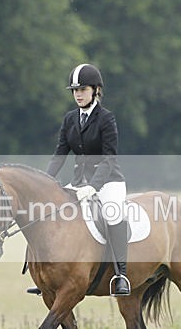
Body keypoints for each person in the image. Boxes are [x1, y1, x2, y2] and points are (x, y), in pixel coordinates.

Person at [45, 63, 130, 297]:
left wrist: (94, 187)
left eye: (82, 89)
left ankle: (121, 275)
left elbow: (109, 158)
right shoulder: (70, 119)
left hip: (108, 181)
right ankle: (48, 276)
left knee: (113, 213)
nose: (78, 95)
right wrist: (43, 181)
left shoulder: (106, 119)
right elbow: (60, 153)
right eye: (75, 91)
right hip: (79, 182)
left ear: (95, 90)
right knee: (53, 213)